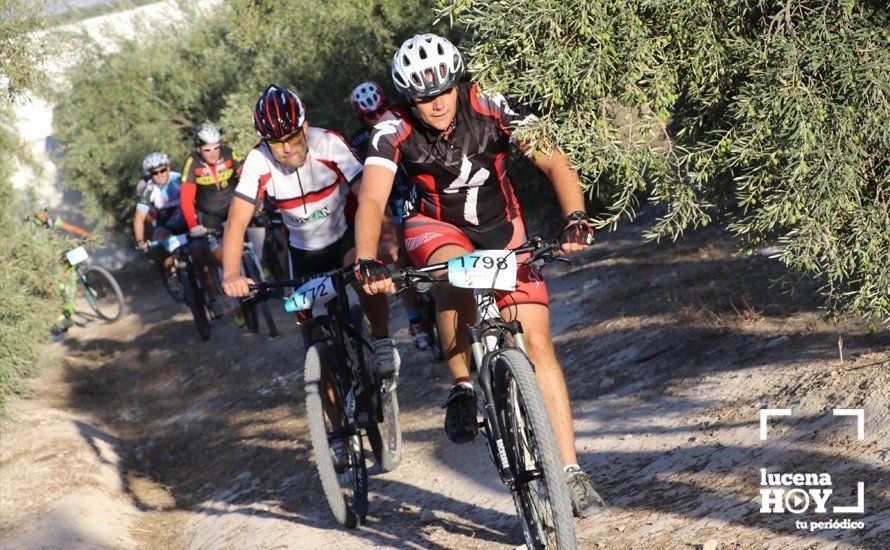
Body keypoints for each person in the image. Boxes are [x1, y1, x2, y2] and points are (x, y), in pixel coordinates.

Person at [352, 33, 605, 517]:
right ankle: (464, 385)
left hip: (500, 224)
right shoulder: (391, 130)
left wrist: (574, 216)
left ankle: (571, 472)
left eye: (444, 91)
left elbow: (552, 158)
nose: (437, 104)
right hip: (434, 225)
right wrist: (367, 257)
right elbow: (371, 198)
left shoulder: (491, 103)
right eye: (424, 97)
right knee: (453, 273)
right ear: (409, 99)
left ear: (458, 83)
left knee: (538, 343)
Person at [221, 84, 399, 376]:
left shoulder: (328, 143)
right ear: (264, 141)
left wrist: (388, 237)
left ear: (304, 126)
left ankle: (381, 339)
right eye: (276, 142)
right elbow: (237, 220)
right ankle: (332, 409)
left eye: (292, 136)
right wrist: (230, 273)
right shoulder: (258, 161)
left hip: (343, 239)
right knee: (315, 346)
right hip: (302, 253)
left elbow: (370, 195)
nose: (287, 147)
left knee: (362, 269)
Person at [348, 81, 428, 351]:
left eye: (381, 109)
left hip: (414, 190)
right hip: (387, 198)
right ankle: (414, 318)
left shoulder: (401, 121)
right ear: (361, 116)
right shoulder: (358, 141)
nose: (377, 117)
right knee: (399, 255)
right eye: (371, 115)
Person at [180, 123, 244, 321]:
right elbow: (186, 200)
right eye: (208, 149)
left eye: (216, 147)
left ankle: (263, 265)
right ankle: (235, 304)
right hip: (210, 216)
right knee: (220, 257)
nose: (214, 153)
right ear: (199, 148)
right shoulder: (193, 162)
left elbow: (246, 175)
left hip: (235, 206)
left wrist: (257, 201)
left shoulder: (229, 153)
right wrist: (193, 226)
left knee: (259, 228)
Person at [133, 152, 186, 288]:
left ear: (168, 168)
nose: (160, 175)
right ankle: (172, 272)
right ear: (150, 175)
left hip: (187, 222)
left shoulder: (179, 179)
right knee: (159, 241)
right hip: (166, 226)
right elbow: (139, 218)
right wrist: (140, 240)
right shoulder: (149, 189)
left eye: (163, 170)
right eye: (155, 173)